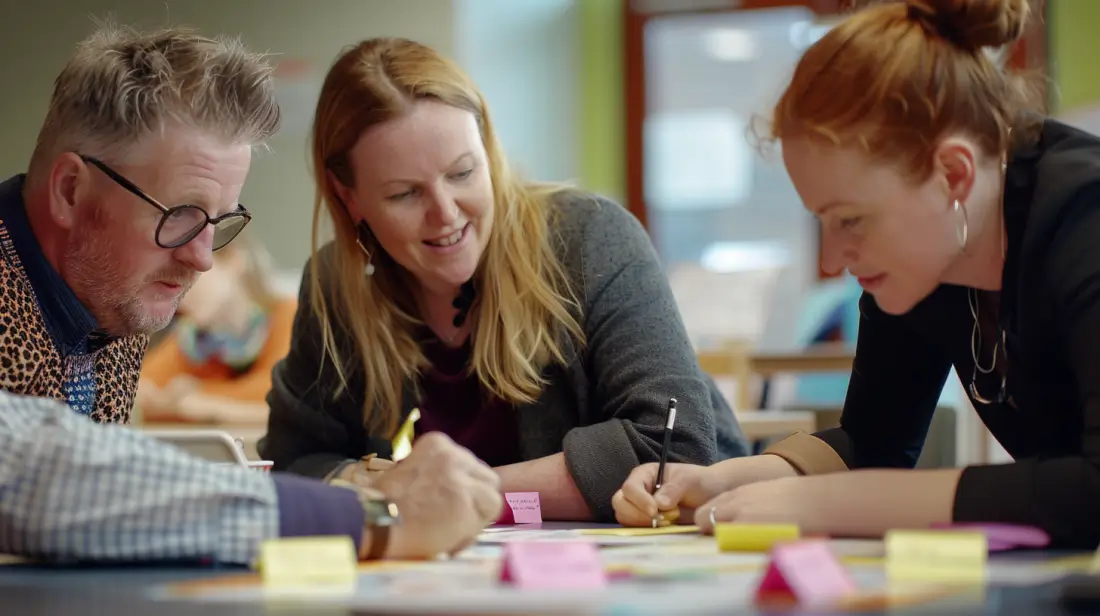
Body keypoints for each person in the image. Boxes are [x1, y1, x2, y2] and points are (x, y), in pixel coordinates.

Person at [0, 23, 501, 566]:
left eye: (217, 221)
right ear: (71, 191)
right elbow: (34, 474)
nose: (202, 258)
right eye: (180, 217)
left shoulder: (108, 301)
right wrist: (373, 519)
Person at [614, 0, 1100, 549]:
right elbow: (873, 442)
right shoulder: (927, 256)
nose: (834, 258)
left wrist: (825, 504)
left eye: (851, 219)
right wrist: (720, 480)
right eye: (823, 221)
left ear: (953, 173)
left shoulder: (1086, 214)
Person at [258, 37, 748, 522]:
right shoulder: (336, 284)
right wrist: (378, 485)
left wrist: (444, 493)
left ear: (489, 152)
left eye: (463, 172)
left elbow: (674, 446)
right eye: (405, 194)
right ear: (350, 199)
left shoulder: (589, 238)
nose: (445, 214)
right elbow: (293, 462)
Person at [138, 233, 295, 425]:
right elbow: (141, 387)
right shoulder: (195, 337)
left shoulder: (290, 315)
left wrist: (201, 399)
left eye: (190, 270)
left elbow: (285, 399)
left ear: (233, 260)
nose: (178, 290)